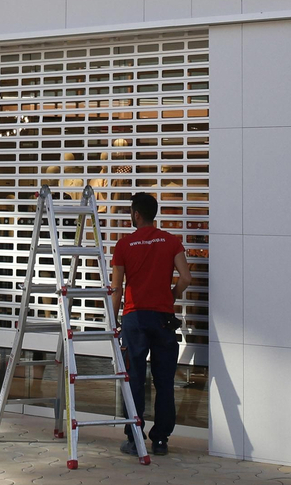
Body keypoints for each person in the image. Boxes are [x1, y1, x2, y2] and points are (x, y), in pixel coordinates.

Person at [110, 191, 191, 458]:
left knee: (134, 378)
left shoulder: (124, 244)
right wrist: (173, 295)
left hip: (135, 319)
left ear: (136, 214)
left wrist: (112, 319)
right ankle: (160, 441)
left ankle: (135, 438)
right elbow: (186, 277)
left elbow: (117, 288)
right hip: (162, 319)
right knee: (164, 380)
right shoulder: (171, 241)